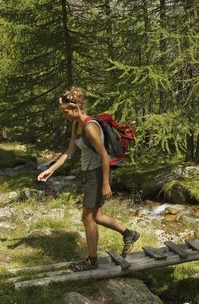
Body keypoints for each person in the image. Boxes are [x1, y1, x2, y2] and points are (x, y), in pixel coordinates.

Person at [37, 86, 139, 271]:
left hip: (98, 173)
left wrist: (106, 184)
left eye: (65, 111)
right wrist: (50, 169)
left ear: (75, 108)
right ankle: (129, 234)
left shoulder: (90, 127)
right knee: (97, 216)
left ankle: (92, 261)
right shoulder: (77, 124)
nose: (64, 115)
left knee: (88, 218)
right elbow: (69, 152)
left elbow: (104, 156)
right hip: (90, 173)